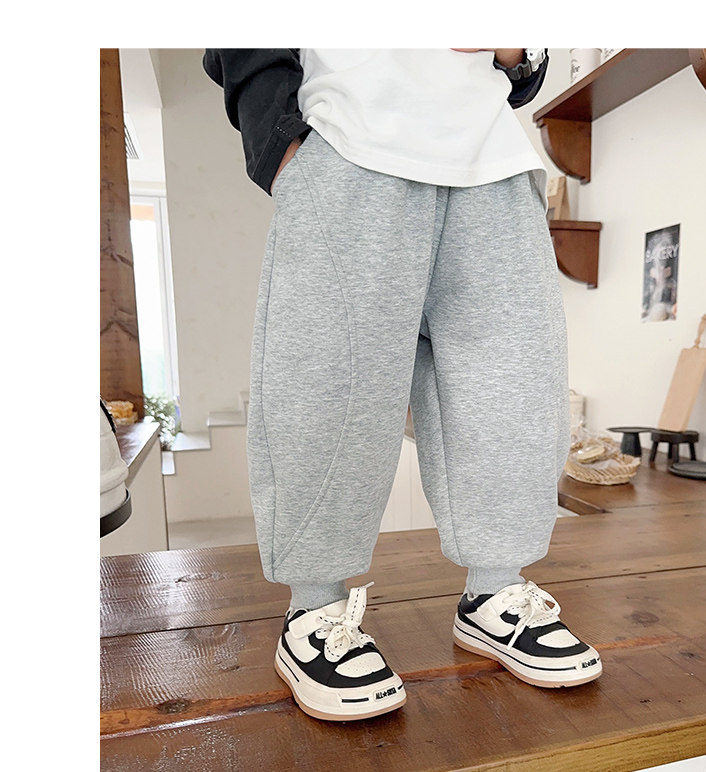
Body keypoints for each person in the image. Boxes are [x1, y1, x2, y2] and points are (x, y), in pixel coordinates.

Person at [202, 48, 602, 722]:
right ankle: (315, 608)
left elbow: (520, 71)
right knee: (328, 385)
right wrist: (282, 149)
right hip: (351, 142)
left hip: (494, 159)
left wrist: (514, 50)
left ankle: (495, 592)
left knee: (514, 391)